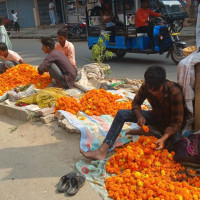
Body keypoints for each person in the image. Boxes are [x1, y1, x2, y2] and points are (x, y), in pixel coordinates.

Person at [81, 66, 185, 160]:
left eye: (156, 90)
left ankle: (152, 133)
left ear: (163, 83)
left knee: (174, 147)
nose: (153, 92)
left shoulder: (175, 92)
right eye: (150, 89)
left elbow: (177, 122)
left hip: (170, 124)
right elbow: (136, 103)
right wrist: (139, 116)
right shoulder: (146, 86)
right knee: (122, 114)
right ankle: (102, 151)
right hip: (155, 117)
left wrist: (164, 138)